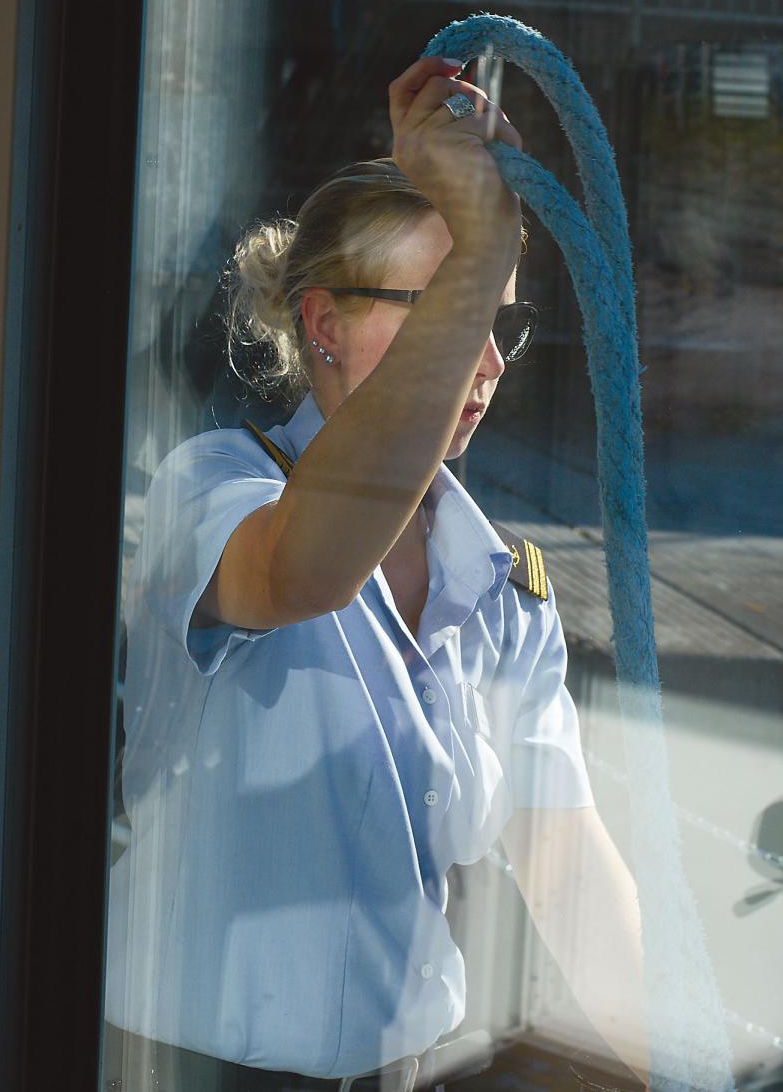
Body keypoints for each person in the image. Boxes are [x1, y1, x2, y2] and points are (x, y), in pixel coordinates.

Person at [103, 58, 650, 1092]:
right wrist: (481, 236)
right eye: (446, 308)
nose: (481, 359)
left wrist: (685, 1065)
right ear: (323, 327)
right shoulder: (215, 488)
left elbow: (567, 870)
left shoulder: (499, 587)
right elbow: (300, 571)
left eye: (497, 317)